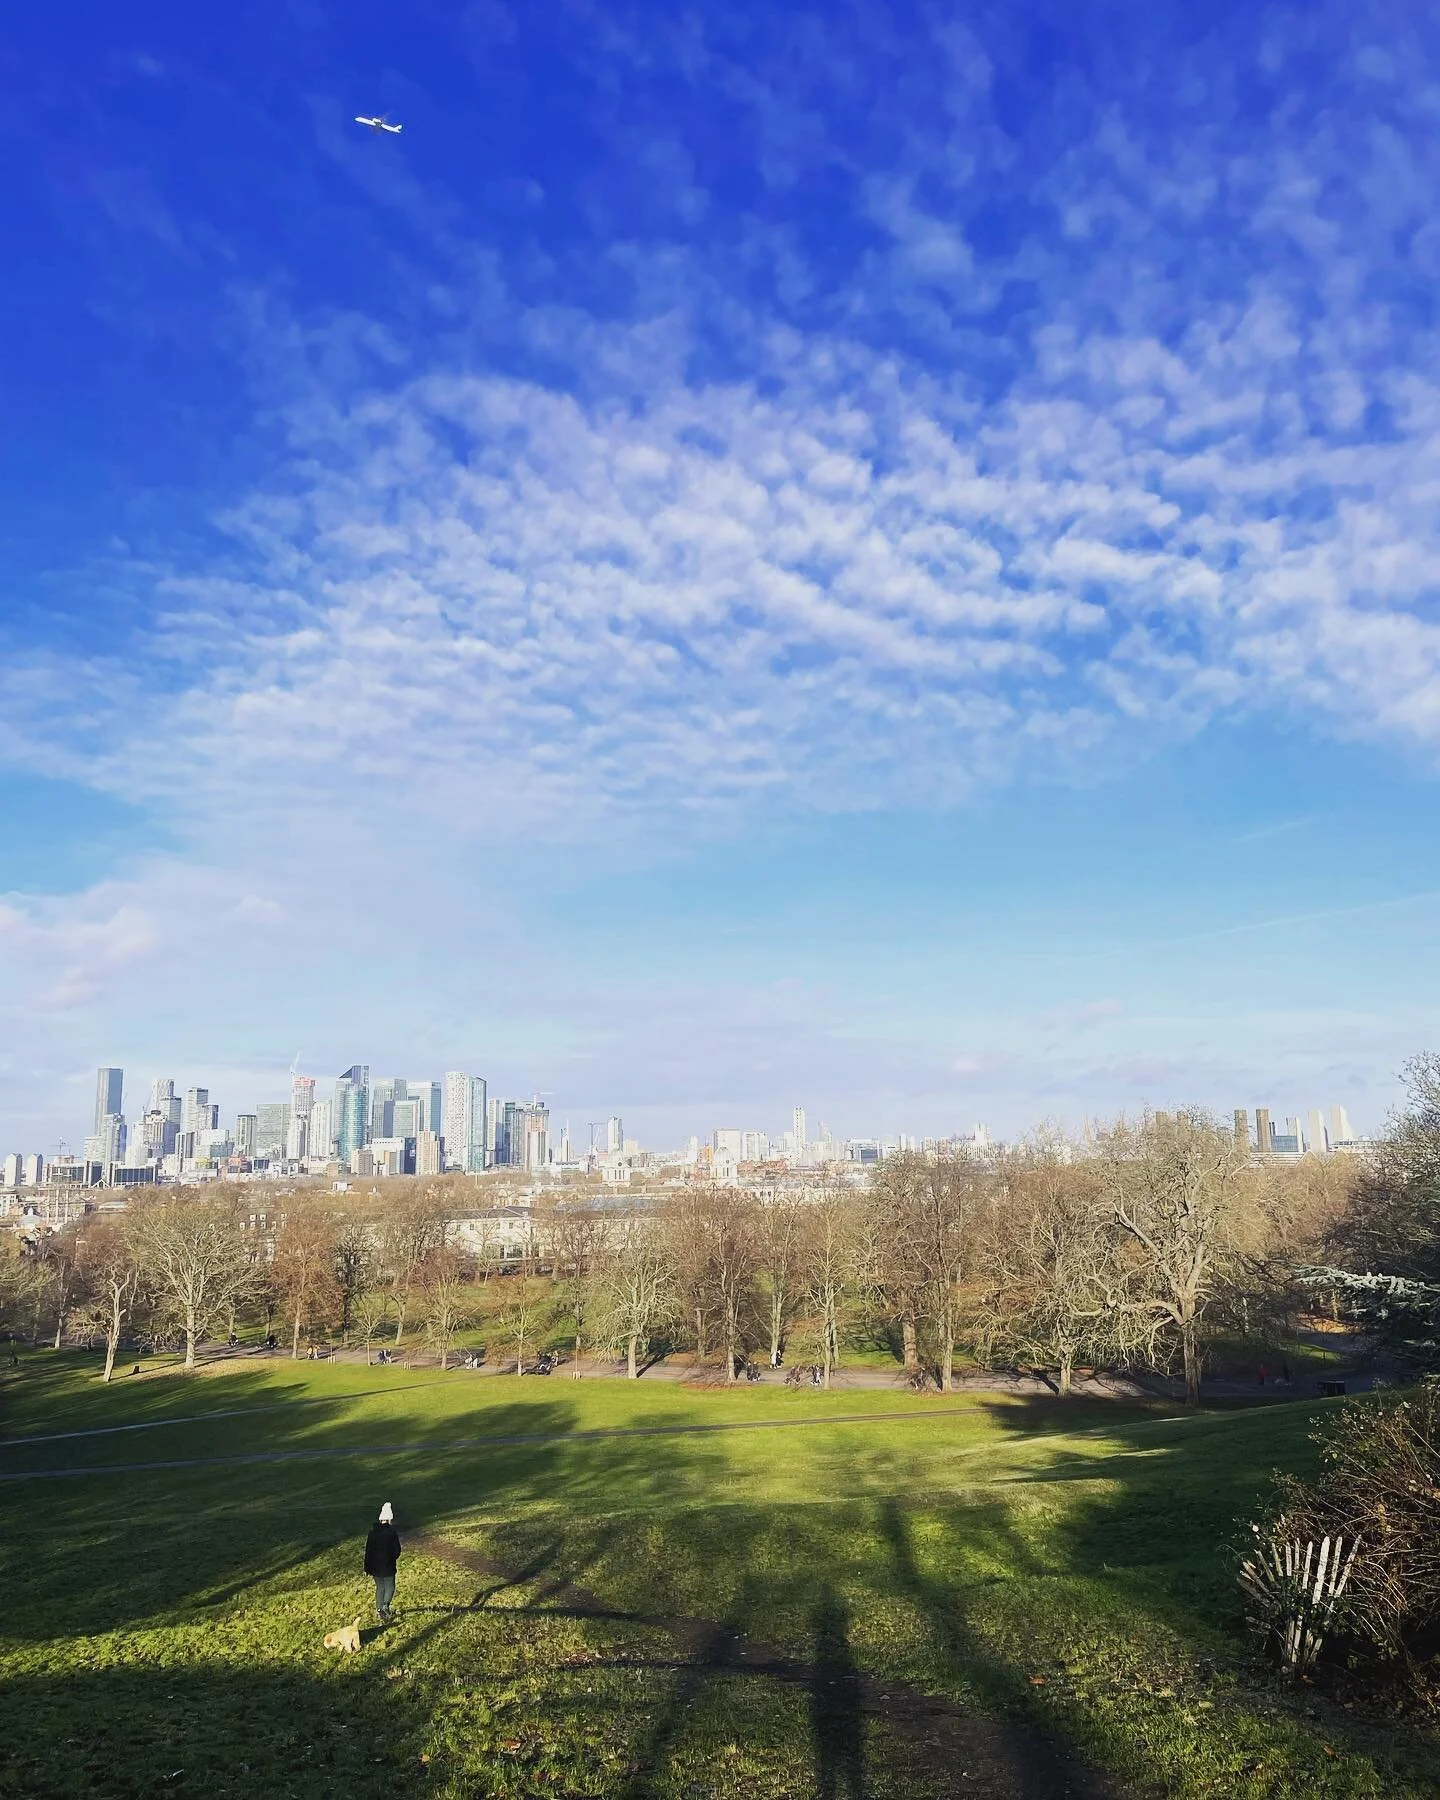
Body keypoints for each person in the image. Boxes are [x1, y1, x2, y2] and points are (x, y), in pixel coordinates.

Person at [364, 1501, 402, 1623]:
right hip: (388, 1566)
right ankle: (385, 1607)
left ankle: (379, 1609)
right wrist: (392, 1558)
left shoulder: (372, 1533)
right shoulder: (391, 1533)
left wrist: (367, 1568)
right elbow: (397, 1550)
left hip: (375, 1567)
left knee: (380, 1587)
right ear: (389, 1519)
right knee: (390, 1587)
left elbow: (368, 1551)